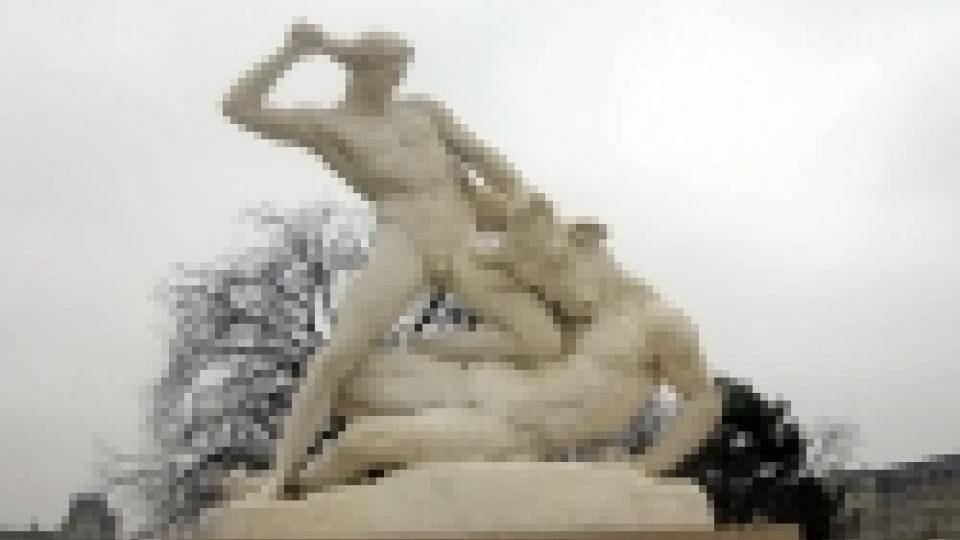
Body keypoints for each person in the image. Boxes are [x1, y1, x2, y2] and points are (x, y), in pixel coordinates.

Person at [221, 21, 566, 497]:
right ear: (361, 70)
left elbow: (484, 157)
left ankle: (438, 358)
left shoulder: (424, 111)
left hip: (464, 237)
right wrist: (290, 54)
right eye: (389, 71)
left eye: (401, 71)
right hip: (406, 238)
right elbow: (239, 108)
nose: (396, 81)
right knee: (339, 354)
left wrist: (525, 202)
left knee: (543, 339)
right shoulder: (330, 126)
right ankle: (279, 476)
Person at [292, 193, 723, 493]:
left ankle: (299, 490)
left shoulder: (659, 322)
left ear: (588, 244)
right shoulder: (570, 308)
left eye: (556, 271)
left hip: (517, 429)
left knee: (360, 442)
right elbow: (519, 338)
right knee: (347, 375)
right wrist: (440, 344)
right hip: (477, 384)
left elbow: (704, 401)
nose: (555, 294)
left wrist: (646, 468)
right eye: (544, 285)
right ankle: (284, 475)